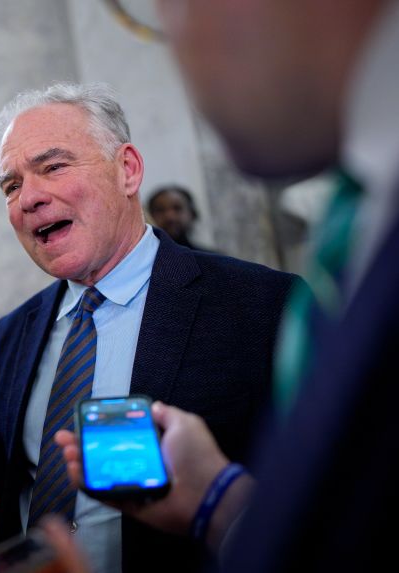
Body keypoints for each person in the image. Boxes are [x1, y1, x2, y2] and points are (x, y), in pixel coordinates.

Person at [0, 83, 296, 573]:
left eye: (53, 167)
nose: (28, 199)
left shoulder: (262, 307)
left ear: (127, 170)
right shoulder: (14, 332)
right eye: (11, 185)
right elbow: (22, 473)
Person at [56, 1, 399, 571]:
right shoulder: (357, 222)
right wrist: (220, 503)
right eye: (11, 184)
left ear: (127, 171)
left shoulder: (265, 297)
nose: (176, 48)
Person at [146, 185, 216, 252]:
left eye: (177, 208)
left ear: (192, 214)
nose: (170, 217)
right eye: (160, 210)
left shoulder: (213, 261)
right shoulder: (143, 261)